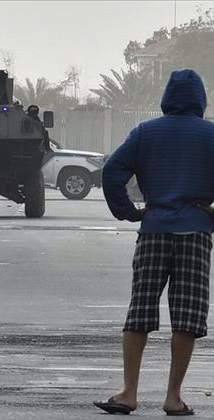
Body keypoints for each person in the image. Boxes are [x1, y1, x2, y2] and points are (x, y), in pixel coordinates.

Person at [95, 69, 214, 416]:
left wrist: (128, 212)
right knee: (187, 316)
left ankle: (129, 393)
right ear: (201, 100)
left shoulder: (145, 132)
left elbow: (111, 171)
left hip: (153, 231)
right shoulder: (211, 135)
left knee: (140, 310)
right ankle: (173, 397)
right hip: (195, 234)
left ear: (167, 98)